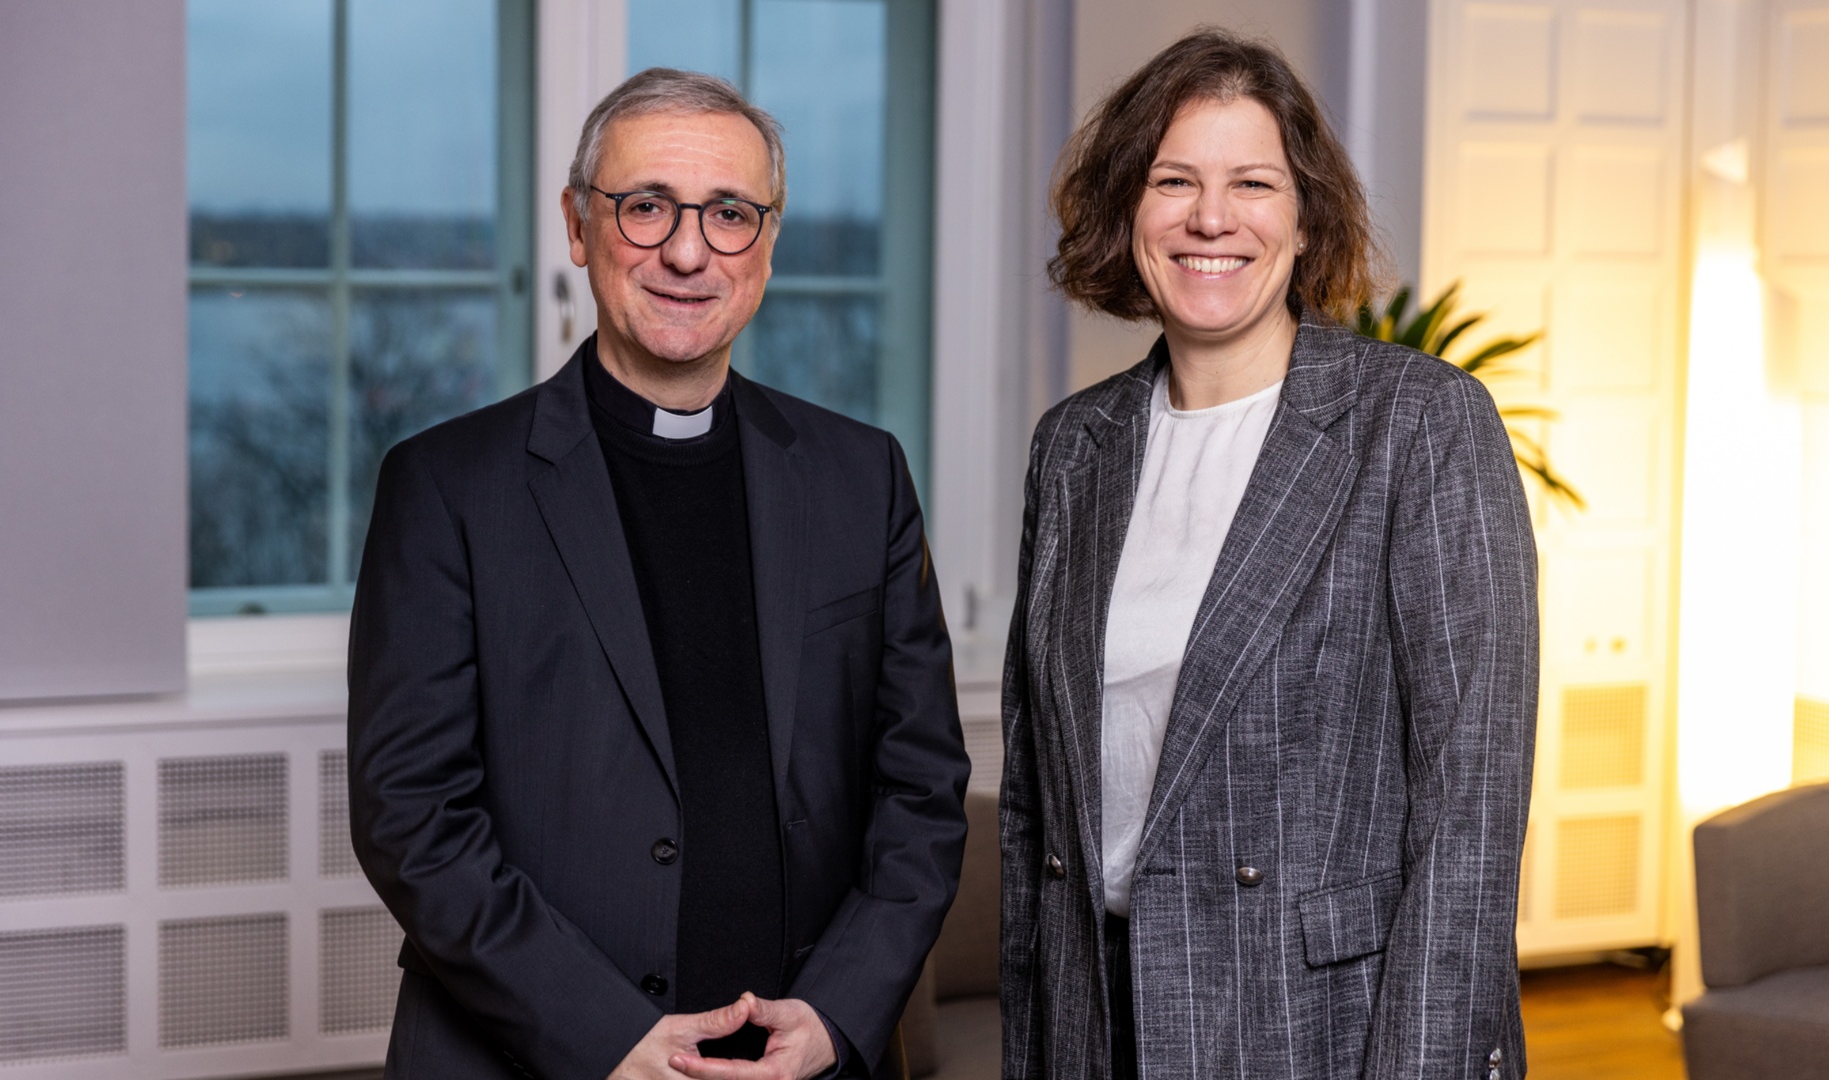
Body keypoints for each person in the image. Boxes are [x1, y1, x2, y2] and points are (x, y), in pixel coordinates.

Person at [349, 68, 968, 1080]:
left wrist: (842, 1010)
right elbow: (414, 821)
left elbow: (923, 788)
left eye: (728, 213)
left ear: (768, 242)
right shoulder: (446, 488)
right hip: (531, 1055)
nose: (688, 250)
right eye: (647, 208)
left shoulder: (864, 477)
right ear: (578, 224)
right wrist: (606, 1035)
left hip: (800, 1060)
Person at [998, 28, 1538, 1080]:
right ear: (1128, 213)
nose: (1212, 217)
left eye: (1253, 182)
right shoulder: (1074, 447)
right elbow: (1035, 808)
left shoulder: (1418, 423)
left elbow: (1472, 808)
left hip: (1313, 1026)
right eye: (1174, 181)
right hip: (1095, 1014)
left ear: (1303, 219)